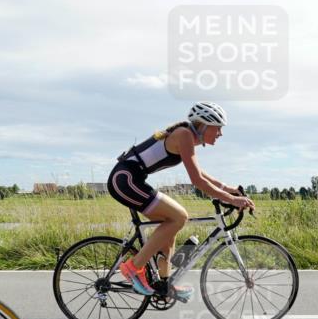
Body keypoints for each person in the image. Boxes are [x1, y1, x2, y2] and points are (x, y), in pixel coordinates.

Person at [107, 102, 254, 301]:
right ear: (204, 125)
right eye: (218, 128)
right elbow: (197, 180)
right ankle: (133, 267)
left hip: (130, 180)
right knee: (179, 217)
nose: (220, 133)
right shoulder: (184, 134)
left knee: (170, 225)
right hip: (125, 180)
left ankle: (164, 284)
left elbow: (199, 172)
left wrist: (227, 189)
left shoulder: (187, 136)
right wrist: (232, 199)